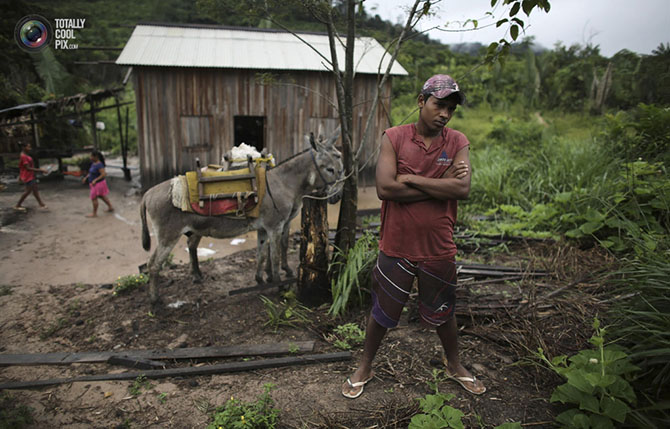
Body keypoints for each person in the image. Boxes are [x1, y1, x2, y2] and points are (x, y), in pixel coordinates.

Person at [342, 74, 486, 399]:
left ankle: (454, 364)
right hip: (396, 244)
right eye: (439, 105)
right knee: (382, 311)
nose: (445, 114)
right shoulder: (394, 137)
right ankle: (365, 365)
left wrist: (410, 178)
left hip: (439, 245)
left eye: (450, 108)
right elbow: (384, 189)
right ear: (421, 101)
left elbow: (462, 188)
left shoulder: (458, 141)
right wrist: (438, 181)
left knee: (443, 311)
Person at [14, 142, 48, 211]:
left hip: (30, 175)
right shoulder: (23, 156)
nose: (30, 148)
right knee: (28, 191)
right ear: (23, 147)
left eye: (30, 147)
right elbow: (27, 168)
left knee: (35, 190)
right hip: (28, 176)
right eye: (28, 147)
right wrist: (40, 170)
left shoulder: (25, 155)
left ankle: (41, 204)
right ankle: (17, 205)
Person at [82, 150, 114, 217]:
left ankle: (94, 213)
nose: (90, 157)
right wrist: (86, 177)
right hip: (95, 183)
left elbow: (103, 174)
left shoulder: (99, 165)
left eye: (91, 156)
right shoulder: (93, 164)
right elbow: (91, 173)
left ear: (96, 157)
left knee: (94, 198)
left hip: (98, 184)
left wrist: (95, 180)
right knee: (101, 196)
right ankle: (110, 207)